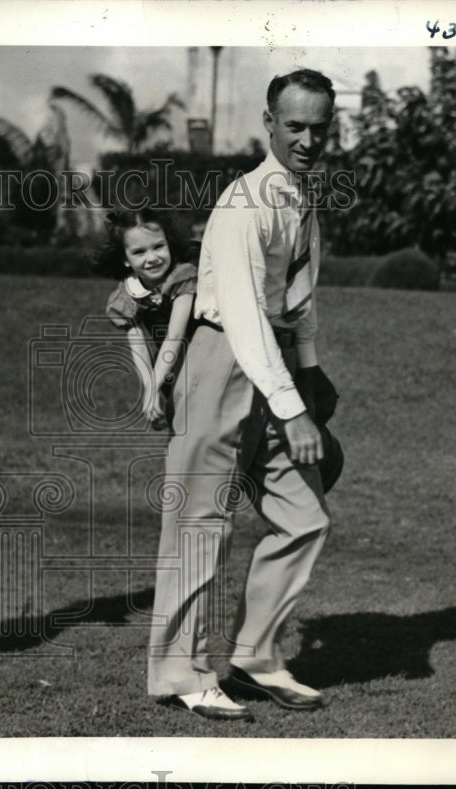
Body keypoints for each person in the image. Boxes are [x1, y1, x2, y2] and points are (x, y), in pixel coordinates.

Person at [147, 69, 338, 721]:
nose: (309, 139)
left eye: (320, 127)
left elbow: (300, 304)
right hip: (224, 357)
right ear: (269, 124)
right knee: (201, 522)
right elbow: (249, 314)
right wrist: (292, 405)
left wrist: (305, 390)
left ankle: (255, 656)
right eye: (296, 127)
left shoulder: (302, 199)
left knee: (305, 515)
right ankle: (183, 671)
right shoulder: (243, 202)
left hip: (274, 368)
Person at [96, 209, 197, 431]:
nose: (152, 258)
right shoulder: (127, 295)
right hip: (170, 369)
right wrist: (150, 390)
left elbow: (175, 335)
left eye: (158, 246)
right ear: (125, 259)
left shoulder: (182, 276)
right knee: (181, 432)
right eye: (139, 252)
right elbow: (139, 348)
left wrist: (154, 386)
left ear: (169, 244)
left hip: (203, 361)